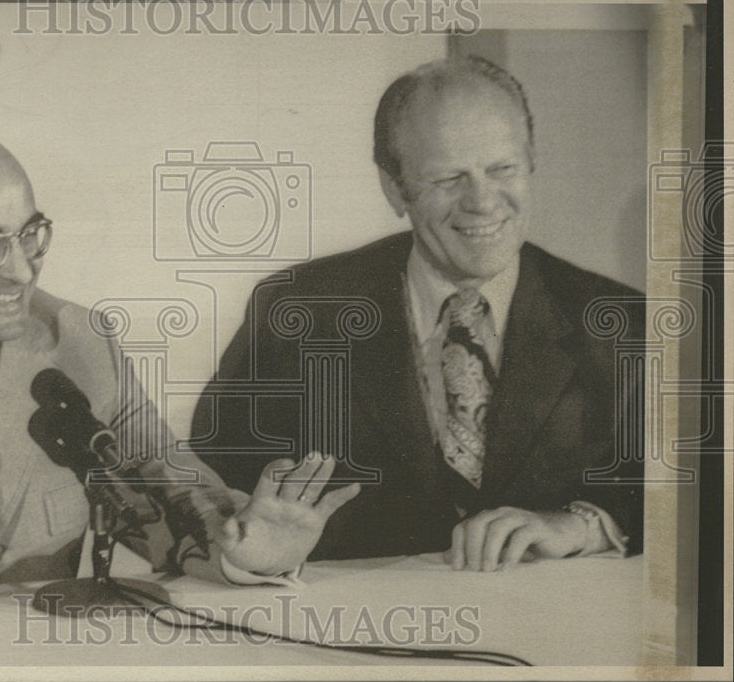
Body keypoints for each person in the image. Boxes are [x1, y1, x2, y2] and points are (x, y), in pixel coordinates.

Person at [0, 121, 359, 609]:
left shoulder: (81, 343)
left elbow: (174, 494)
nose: (21, 273)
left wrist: (244, 551)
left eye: (30, 235)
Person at [191, 56, 644, 572]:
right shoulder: (296, 311)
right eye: (448, 178)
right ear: (394, 187)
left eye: (503, 169)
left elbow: (688, 497)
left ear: (532, 160)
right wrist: (249, 558)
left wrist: (583, 524)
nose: (482, 201)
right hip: (351, 636)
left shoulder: (621, 321)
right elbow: (208, 493)